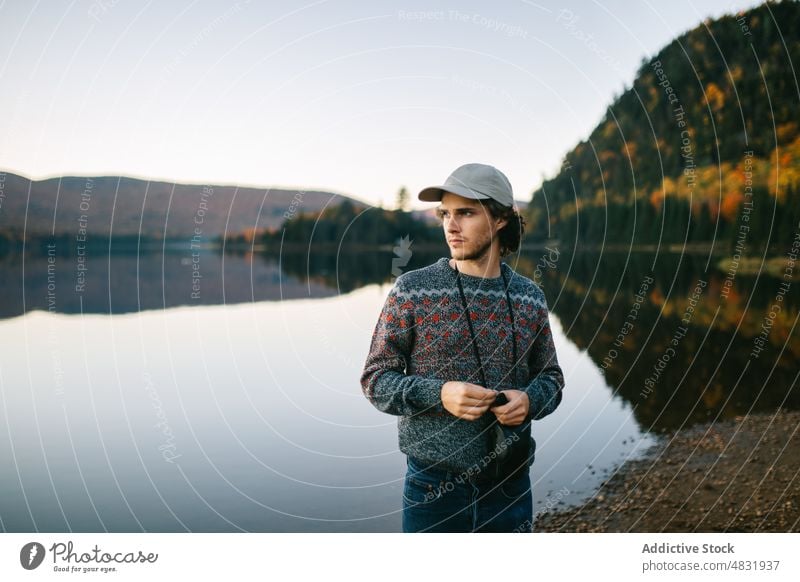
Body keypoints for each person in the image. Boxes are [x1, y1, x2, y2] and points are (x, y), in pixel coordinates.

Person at [360, 162, 565, 532]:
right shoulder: (413, 290)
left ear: (501, 219)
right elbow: (375, 380)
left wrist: (531, 399)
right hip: (432, 489)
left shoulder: (530, 297)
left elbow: (551, 378)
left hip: (511, 482)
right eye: (445, 214)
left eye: (466, 213)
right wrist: (440, 393)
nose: (450, 226)